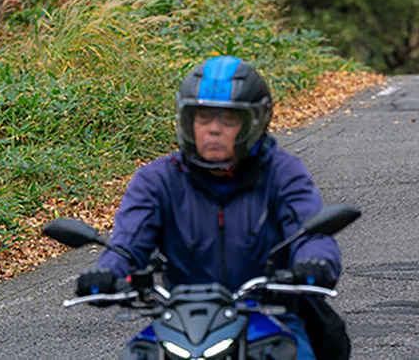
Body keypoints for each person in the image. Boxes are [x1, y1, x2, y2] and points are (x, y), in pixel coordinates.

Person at [73, 56, 350, 359]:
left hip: (270, 312)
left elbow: (310, 231)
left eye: (228, 120)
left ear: (254, 123)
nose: (214, 131)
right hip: (181, 322)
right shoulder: (157, 179)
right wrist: (105, 274)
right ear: (187, 122)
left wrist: (314, 264)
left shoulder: (283, 172)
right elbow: (127, 242)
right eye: (203, 119)